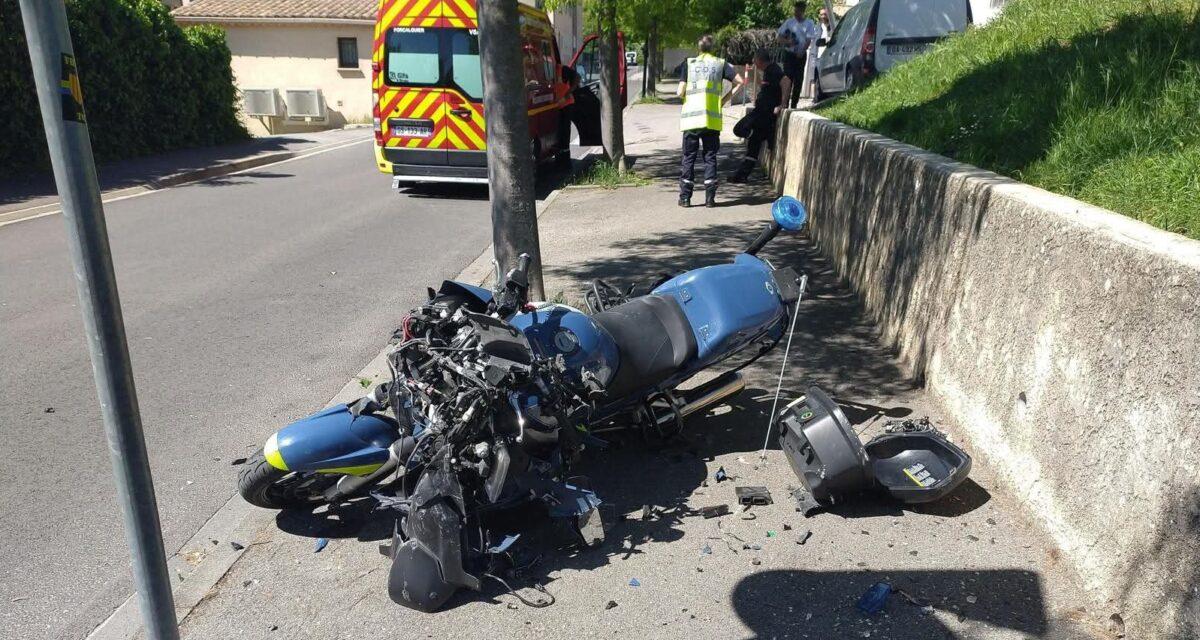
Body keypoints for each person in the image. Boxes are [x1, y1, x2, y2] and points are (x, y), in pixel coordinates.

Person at [677, 34, 745, 208]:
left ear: (698, 48)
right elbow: (740, 82)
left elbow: (680, 92)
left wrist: (685, 96)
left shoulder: (689, 63)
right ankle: (710, 199)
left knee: (688, 158)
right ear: (712, 47)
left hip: (692, 120)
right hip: (711, 120)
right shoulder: (720, 64)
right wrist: (723, 100)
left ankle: (685, 198)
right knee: (710, 157)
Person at [729, 49, 788, 184]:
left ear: (760, 60)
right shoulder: (768, 72)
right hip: (762, 111)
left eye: (755, 60)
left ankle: (762, 134)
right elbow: (767, 88)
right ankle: (741, 176)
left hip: (764, 113)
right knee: (753, 147)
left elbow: (786, 81)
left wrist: (782, 104)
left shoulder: (773, 70)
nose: (753, 63)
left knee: (738, 129)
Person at [777, 1, 819, 108]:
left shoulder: (809, 23)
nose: (796, 13)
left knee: (798, 79)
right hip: (789, 54)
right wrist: (788, 42)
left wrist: (802, 51)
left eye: (798, 11)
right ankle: (784, 103)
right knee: (787, 78)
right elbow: (779, 37)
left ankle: (794, 104)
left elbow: (809, 39)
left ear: (803, 11)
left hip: (800, 55)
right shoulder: (789, 22)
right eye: (795, 10)